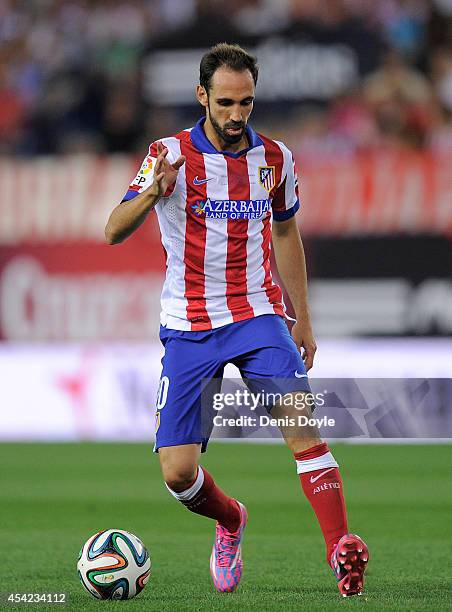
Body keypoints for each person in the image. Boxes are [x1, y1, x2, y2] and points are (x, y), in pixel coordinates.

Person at [105, 42, 369, 597]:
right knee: (178, 474)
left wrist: (302, 318)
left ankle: (341, 549)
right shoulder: (168, 154)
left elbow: (287, 232)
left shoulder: (275, 158)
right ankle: (230, 520)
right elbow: (112, 230)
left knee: (303, 429)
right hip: (190, 323)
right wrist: (154, 192)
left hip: (259, 314)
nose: (236, 115)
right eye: (225, 102)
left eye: (246, 103)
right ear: (202, 96)